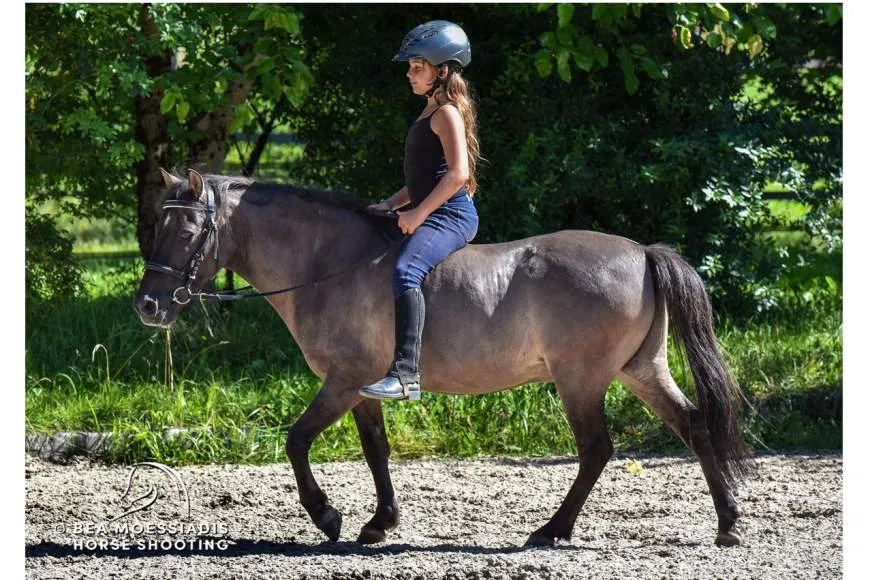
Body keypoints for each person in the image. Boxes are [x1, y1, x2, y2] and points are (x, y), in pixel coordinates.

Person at [359, 20, 481, 401]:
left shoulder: (445, 112)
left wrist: (418, 214)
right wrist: (392, 204)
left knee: (405, 270)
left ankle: (406, 376)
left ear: (442, 70)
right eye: (410, 67)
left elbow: (458, 174)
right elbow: (426, 178)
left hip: (453, 216)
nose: (410, 75)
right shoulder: (429, 111)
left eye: (418, 67)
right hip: (435, 207)